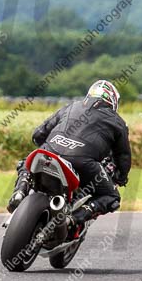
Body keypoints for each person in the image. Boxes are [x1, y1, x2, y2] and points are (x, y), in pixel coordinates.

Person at [7, 79, 132, 229]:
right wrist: (121, 177)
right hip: (83, 163)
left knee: (25, 163)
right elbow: (123, 157)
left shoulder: (71, 106)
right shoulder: (118, 122)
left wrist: (51, 146)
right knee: (112, 197)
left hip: (48, 152)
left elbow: (38, 134)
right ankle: (73, 219)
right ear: (112, 101)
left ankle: (20, 192)